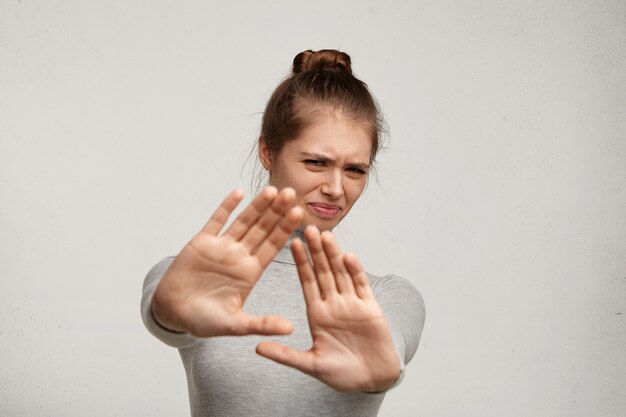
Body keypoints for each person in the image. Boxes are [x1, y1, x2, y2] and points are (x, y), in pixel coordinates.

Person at [141, 49, 426, 417]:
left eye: (355, 170)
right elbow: (166, 314)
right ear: (267, 151)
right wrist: (168, 316)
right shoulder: (196, 277)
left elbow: (389, 352)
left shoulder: (386, 296)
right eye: (315, 162)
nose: (336, 188)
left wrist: (380, 369)